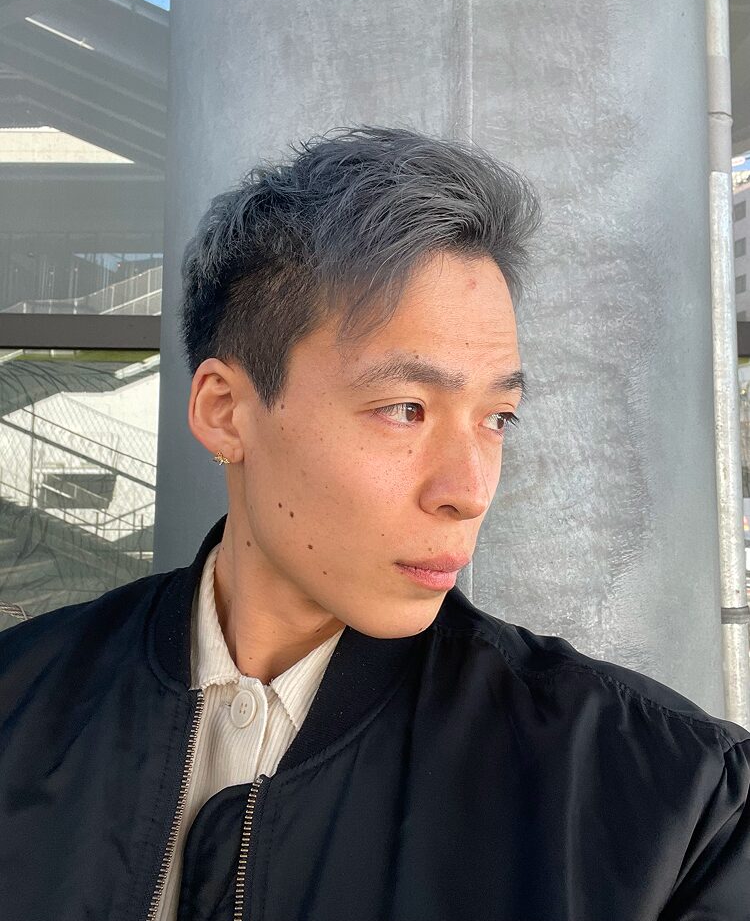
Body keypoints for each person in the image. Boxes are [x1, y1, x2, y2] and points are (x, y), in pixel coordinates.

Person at [1, 126, 748, 921]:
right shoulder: (19, 706)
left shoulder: (674, 806)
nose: (468, 491)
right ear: (225, 411)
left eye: (497, 417)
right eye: (405, 409)